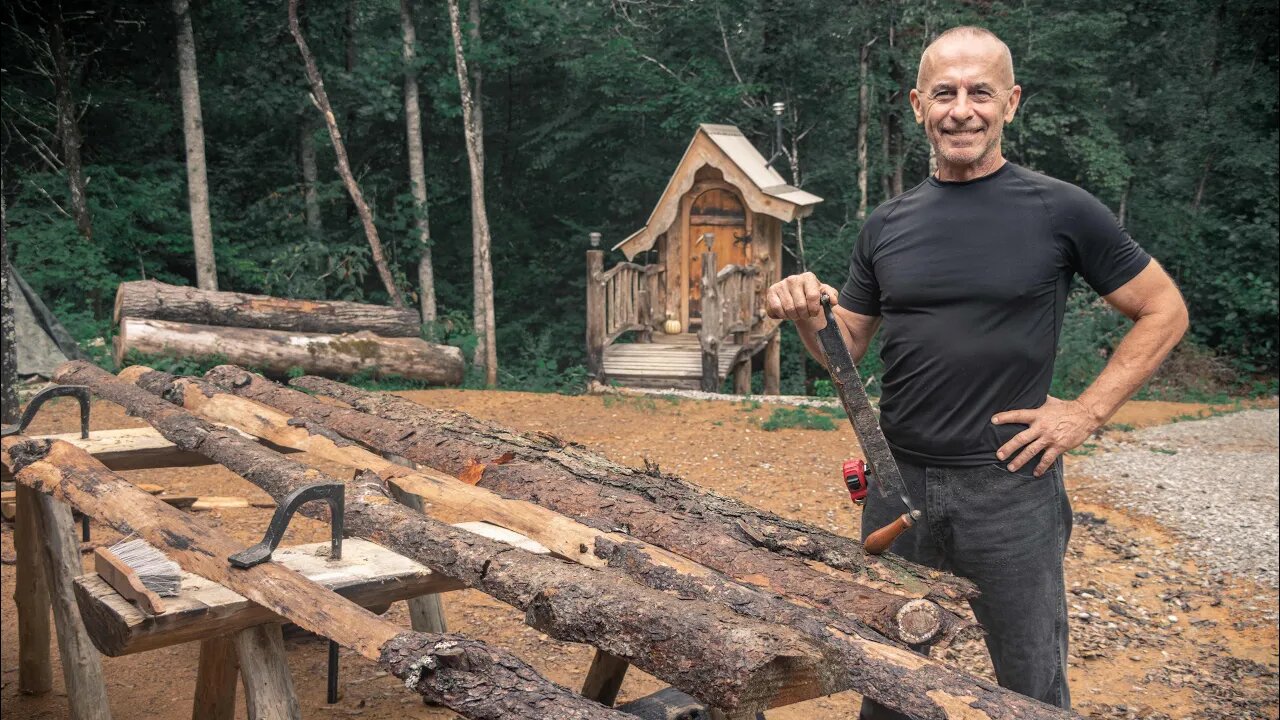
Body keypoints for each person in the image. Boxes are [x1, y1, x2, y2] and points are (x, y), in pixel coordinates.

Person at [765, 25, 1188, 716]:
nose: (962, 108)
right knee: (888, 674)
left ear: (1010, 103)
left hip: (1010, 487)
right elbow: (846, 346)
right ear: (917, 106)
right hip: (897, 484)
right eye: (944, 93)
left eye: (979, 92)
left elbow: (1163, 310)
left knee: (1030, 684)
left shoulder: (1060, 210)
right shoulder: (887, 225)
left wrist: (1085, 412)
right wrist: (808, 314)